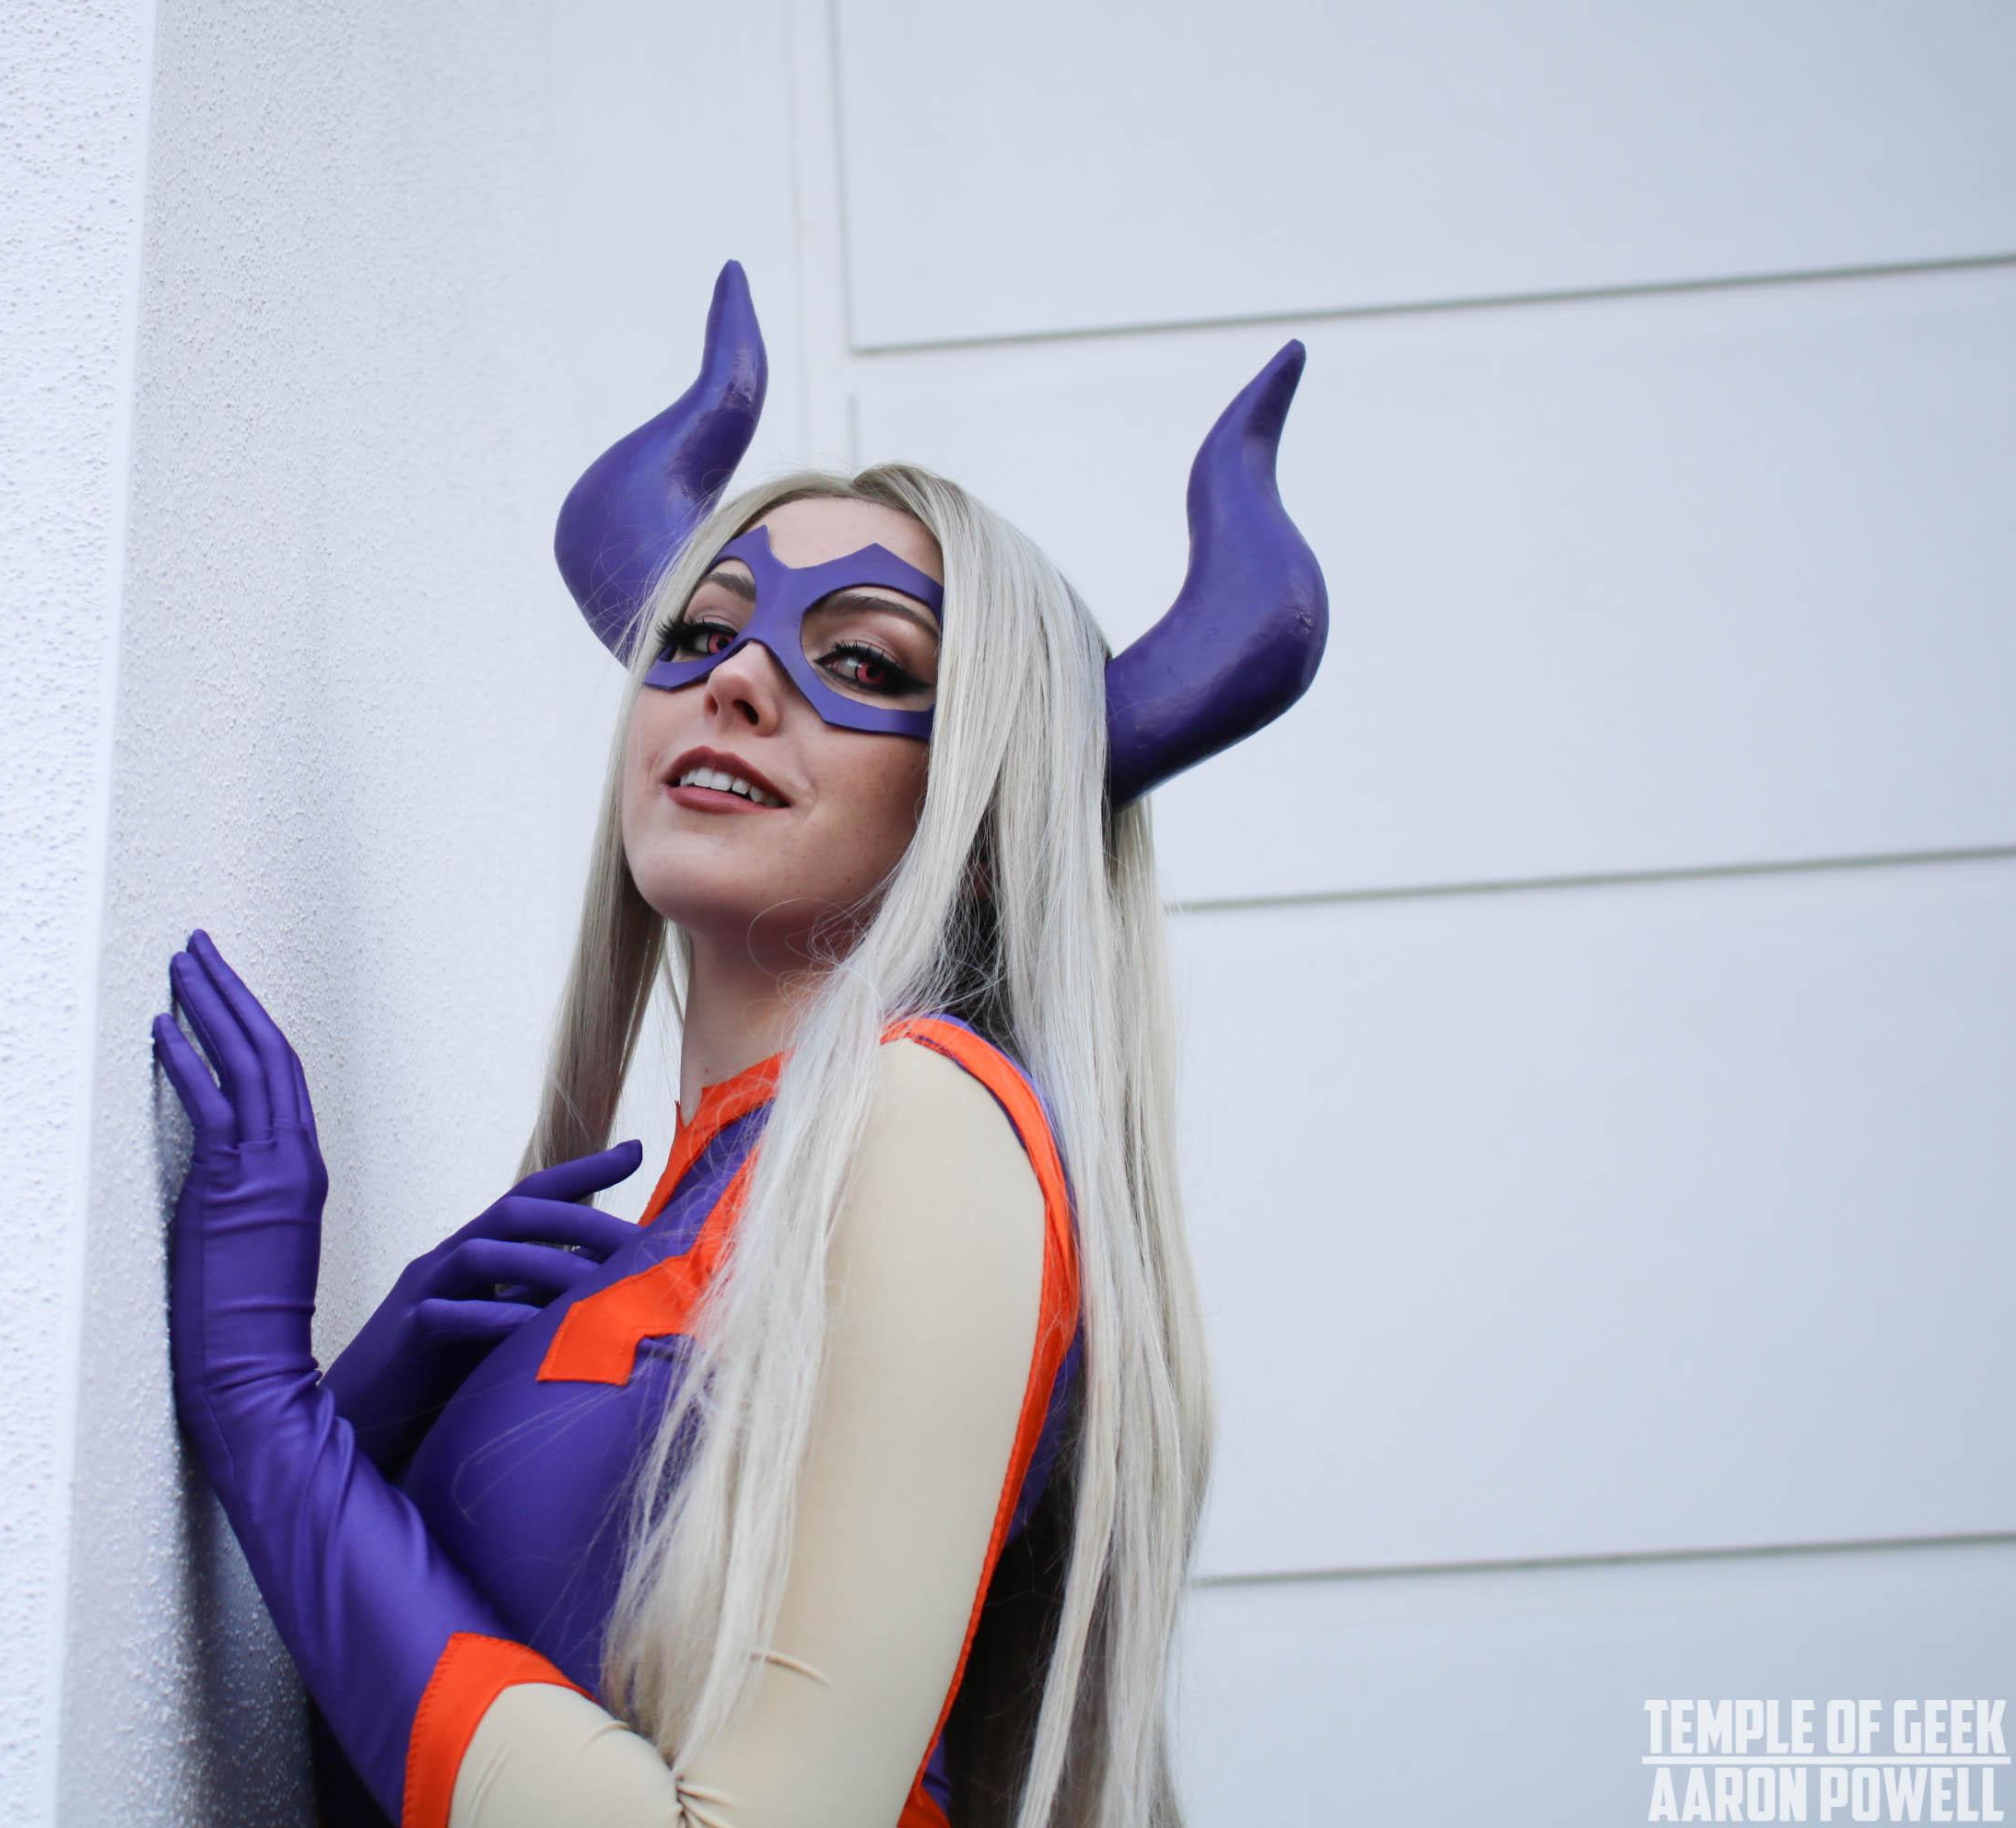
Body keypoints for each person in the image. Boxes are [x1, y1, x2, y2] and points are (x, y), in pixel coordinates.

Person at [154, 264, 1325, 1828]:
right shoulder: (696, 1213)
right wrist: (369, 1424)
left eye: (866, 663)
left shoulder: (930, 1113)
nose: (740, 677)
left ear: (989, 827)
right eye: (701, 632)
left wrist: (264, 1402)